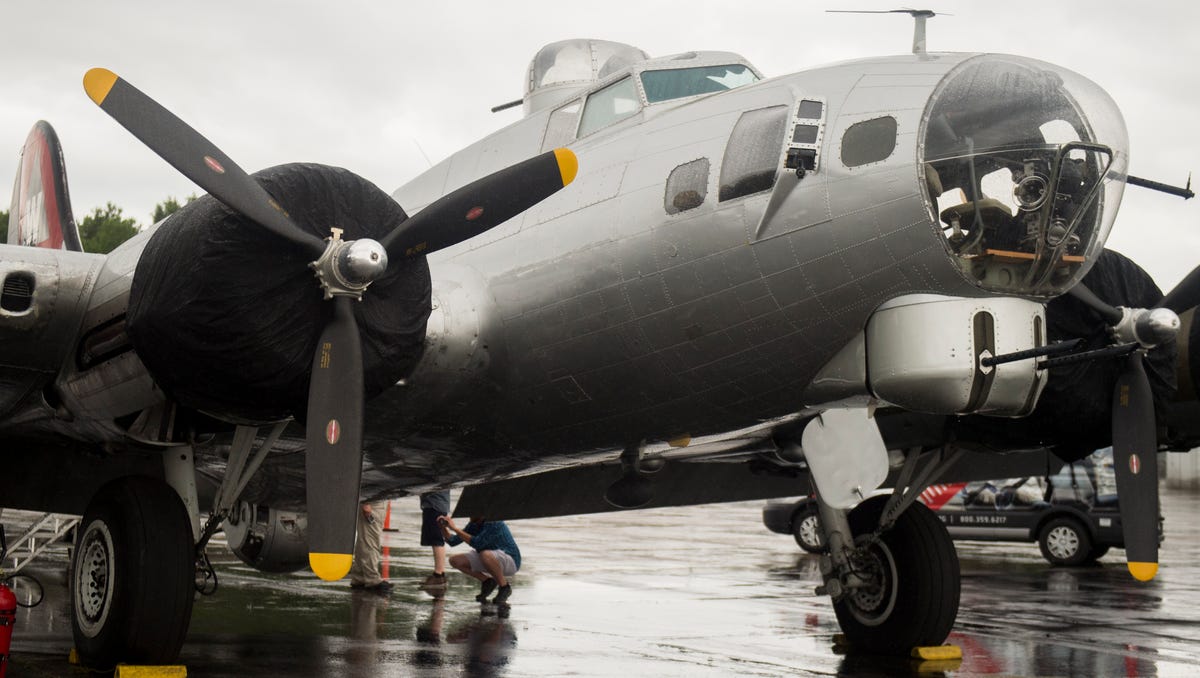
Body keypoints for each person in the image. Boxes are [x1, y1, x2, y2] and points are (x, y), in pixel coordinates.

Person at [439, 514, 521, 605]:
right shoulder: (474, 524)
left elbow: (478, 543)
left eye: (471, 512)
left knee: (484, 554)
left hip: (511, 560)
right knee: (455, 560)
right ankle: (488, 581)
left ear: (481, 513)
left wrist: (454, 528)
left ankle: (504, 587)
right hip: (489, 558)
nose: (469, 515)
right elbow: (453, 541)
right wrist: (443, 528)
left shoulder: (494, 522)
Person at [349, 501, 392, 593]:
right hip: (373, 502)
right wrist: (366, 502)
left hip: (373, 502)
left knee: (364, 540)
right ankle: (372, 579)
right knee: (371, 540)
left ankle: (359, 577)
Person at [419, 490, 451, 590]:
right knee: (436, 539)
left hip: (435, 505)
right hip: (436, 504)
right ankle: (439, 574)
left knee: (436, 540)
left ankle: (438, 574)